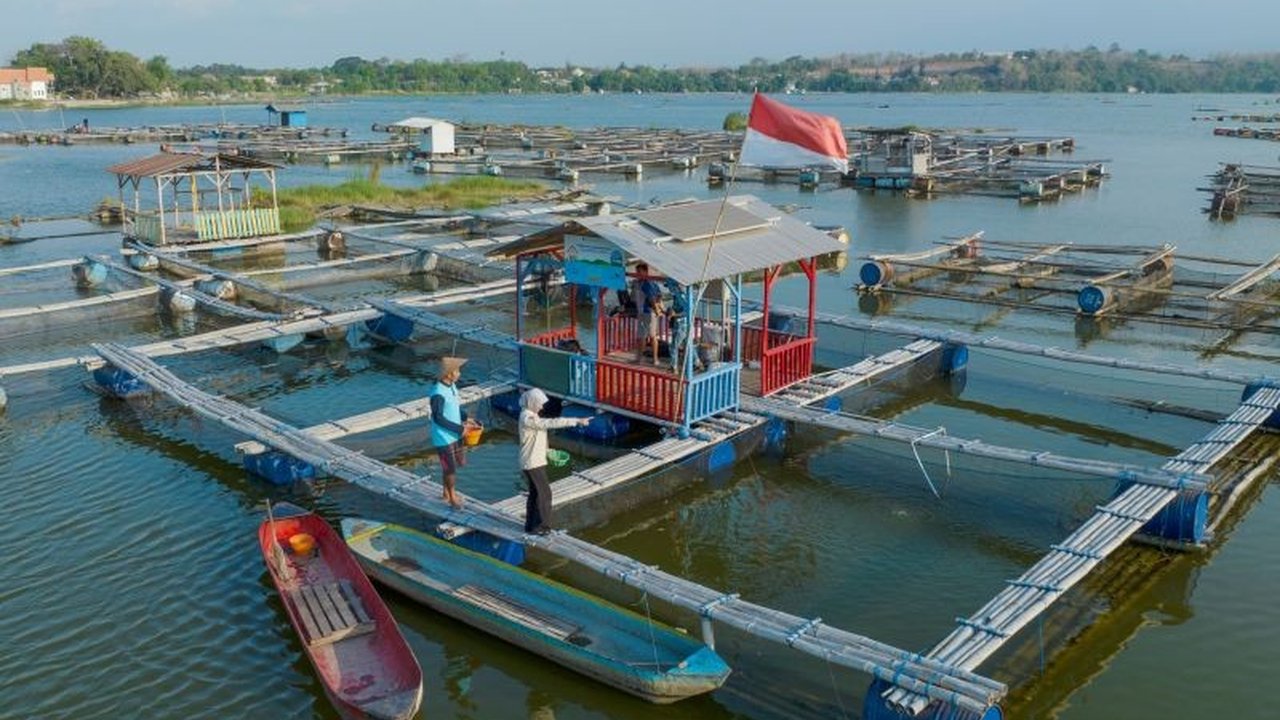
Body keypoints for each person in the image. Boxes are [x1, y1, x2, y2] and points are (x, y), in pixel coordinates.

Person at [518, 388, 591, 534]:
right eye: (539, 404)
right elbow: (550, 423)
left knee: (535, 493)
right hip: (532, 463)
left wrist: (547, 451)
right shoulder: (527, 418)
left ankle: (531, 526)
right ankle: (542, 527)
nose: (541, 407)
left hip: (534, 461)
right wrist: (576, 421)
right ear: (532, 402)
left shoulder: (531, 416)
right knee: (545, 494)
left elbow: (538, 435)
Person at [429, 355, 478, 508]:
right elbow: (438, 418)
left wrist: (465, 418)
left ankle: (446, 492)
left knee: (451, 465)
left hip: (453, 434)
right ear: (449, 374)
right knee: (450, 469)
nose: (459, 373)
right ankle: (452, 497)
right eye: (457, 371)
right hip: (443, 437)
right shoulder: (438, 393)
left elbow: (454, 407)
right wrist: (460, 429)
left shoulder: (451, 386)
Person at [632, 263, 663, 365]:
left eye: (639, 272)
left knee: (647, 336)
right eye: (637, 272)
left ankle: (649, 359)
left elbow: (652, 298)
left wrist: (656, 309)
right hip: (644, 312)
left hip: (647, 313)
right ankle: (646, 359)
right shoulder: (645, 283)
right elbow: (659, 294)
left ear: (645, 272)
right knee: (647, 336)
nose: (637, 274)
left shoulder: (647, 284)